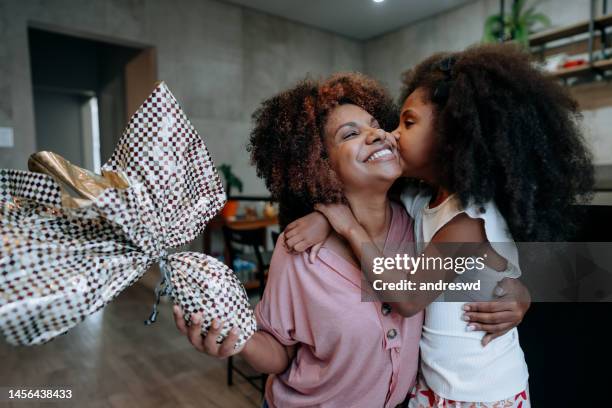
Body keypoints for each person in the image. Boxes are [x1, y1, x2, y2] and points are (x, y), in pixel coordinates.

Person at [174, 72, 531, 408]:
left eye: (377, 125)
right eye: (349, 134)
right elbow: (279, 354)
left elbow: (467, 267)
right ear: (319, 165)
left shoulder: (418, 220)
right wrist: (239, 341)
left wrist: (519, 291)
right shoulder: (300, 250)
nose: (380, 134)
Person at [286, 44, 593, 407]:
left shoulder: (469, 222)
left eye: (409, 122)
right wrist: (325, 217)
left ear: (454, 136)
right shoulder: (421, 200)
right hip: (434, 383)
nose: (393, 133)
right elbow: (363, 197)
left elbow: (409, 298)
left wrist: (349, 228)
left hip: (482, 396)